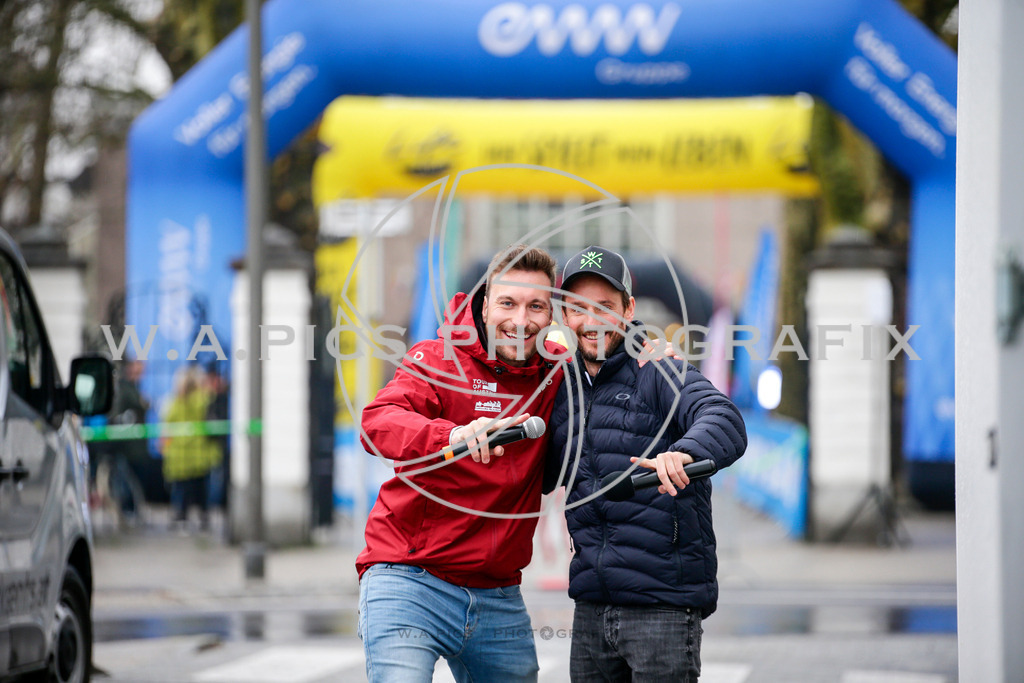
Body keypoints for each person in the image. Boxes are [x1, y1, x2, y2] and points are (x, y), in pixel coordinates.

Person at [357, 244, 564, 683]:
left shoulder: (557, 375)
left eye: (536, 307)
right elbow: (377, 421)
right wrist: (450, 436)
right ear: (486, 305)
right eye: (507, 303)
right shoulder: (438, 358)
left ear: (551, 316)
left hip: (498, 593)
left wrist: (656, 354)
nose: (520, 320)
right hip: (410, 579)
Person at [544, 246, 748, 682]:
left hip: (663, 607)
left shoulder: (657, 366)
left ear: (629, 309)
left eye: (605, 307)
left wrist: (685, 453)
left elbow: (723, 417)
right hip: (590, 608)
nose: (592, 321)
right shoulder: (561, 387)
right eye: (579, 308)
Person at [161, 365, 220, 533]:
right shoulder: (203, 399)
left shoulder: (174, 402)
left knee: (181, 491)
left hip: (179, 454)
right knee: (201, 491)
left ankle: (180, 517)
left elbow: (167, 425)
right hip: (199, 454)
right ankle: (203, 518)